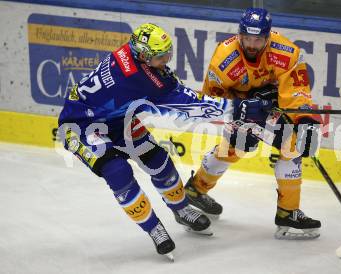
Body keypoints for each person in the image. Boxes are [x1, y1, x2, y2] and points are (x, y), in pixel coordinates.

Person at [58, 23, 270, 261]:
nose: (166, 59)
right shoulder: (142, 79)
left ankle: (180, 209)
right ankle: (154, 228)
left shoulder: (131, 54)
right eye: (161, 56)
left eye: (168, 53)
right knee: (118, 172)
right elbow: (191, 106)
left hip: (117, 120)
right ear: (144, 55)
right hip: (80, 127)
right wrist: (241, 108)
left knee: (157, 159)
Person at [184, 8, 322, 239]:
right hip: (243, 108)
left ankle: (288, 211)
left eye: (257, 40)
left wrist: (305, 120)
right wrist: (244, 104)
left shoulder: (287, 52)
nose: (251, 44)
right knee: (235, 148)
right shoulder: (224, 58)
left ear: (268, 38)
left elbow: (296, 91)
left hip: (273, 108)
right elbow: (213, 99)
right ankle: (196, 189)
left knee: (293, 146)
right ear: (239, 35)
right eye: (246, 38)